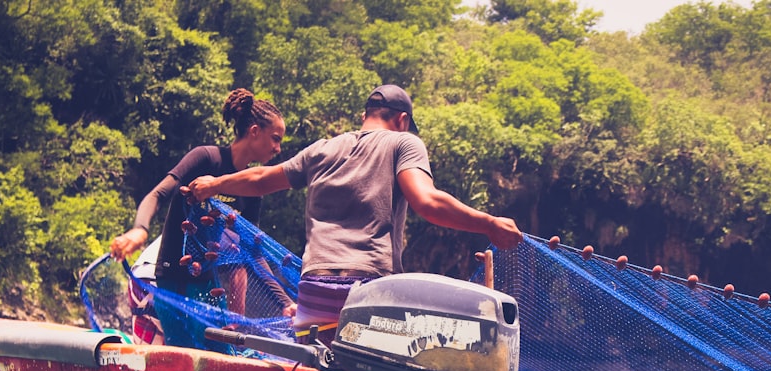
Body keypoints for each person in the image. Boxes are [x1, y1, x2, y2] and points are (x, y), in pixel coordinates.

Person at [184, 84, 523, 342]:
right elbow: (427, 202)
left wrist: (214, 185)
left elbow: (260, 179)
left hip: (313, 290)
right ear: (402, 120)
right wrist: (488, 223)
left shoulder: (322, 149)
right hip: (366, 294)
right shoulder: (404, 143)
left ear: (364, 116)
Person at [109, 88, 295, 348]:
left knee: (220, 353)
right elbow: (158, 193)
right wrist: (139, 229)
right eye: (275, 139)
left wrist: (285, 302)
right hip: (171, 279)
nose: (278, 149)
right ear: (254, 131)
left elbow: (252, 252)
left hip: (206, 285)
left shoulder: (251, 187)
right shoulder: (206, 158)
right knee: (181, 354)